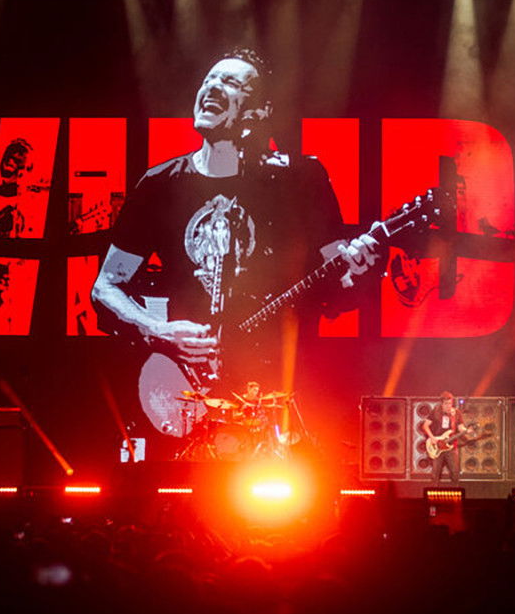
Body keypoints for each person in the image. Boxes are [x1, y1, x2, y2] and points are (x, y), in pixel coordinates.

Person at [92, 48, 380, 435]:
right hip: (188, 385)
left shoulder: (301, 179)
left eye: (230, 83)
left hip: (280, 393)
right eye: (209, 79)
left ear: (259, 111)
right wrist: (157, 330)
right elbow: (105, 287)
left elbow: (340, 291)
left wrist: (359, 271)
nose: (213, 87)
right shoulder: (161, 184)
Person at [422, 392, 463, 483]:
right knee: (435, 473)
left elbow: (461, 427)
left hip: (451, 446)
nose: (448, 406)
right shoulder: (436, 411)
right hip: (437, 445)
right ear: (441, 403)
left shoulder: (456, 413)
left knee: (455, 472)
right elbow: (425, 425)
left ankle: (455, 490)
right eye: (446, 404)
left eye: (450, 403)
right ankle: (433, 490)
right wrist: (432, 437)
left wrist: (467, 430)